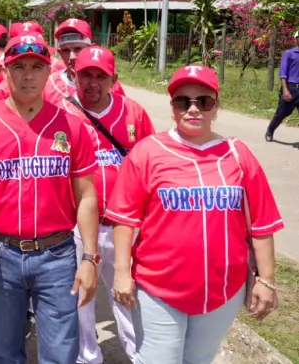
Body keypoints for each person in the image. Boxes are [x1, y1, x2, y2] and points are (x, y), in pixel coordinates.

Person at [107, 65, 284, 364]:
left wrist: (266, 280)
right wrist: (122, 273)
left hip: (221, 290)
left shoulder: (237, 154)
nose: (193, 109)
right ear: (172, 107)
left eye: (204, 101)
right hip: (158, 289)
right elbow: (124, 220)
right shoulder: (148, 152)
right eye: (183, 101)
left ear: (216, 106)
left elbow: (262, 224)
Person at [0, 35, 100, 364]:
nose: (28, 75)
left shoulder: (72, 127)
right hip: (0, 254)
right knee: (4, 352)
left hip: (58, 255)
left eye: (36, 66)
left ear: (50, 71)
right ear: (5, 71)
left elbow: (87, 195)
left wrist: (89, 258)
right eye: (19, 67)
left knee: (61, 354)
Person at [57, 47, 155, 364]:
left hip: (124, 226)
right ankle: (88, 355)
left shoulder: (134, 113)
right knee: (82, 294)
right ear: (74, 75)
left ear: (114, 79)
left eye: (101, 76)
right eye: (86, 74)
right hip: (77, 224)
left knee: (127, 294)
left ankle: (137, 353)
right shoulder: (60, 113)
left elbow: (151, 166)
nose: (93, 82)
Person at [265, 30, 299, 141]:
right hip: (291, 88)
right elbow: (283, 73)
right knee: (282, 113)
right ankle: (270, 130)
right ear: (296, 39)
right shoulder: (289, 53)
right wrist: (285, 90)